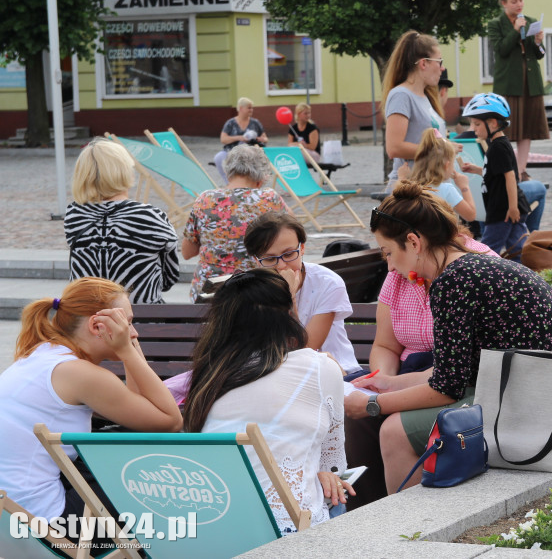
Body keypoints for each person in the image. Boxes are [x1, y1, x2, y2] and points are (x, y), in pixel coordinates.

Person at [344, 182, 552, 494]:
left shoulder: (453, 282)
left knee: (394, 432)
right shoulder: (473, 266)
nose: (390, 265)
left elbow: (446, 389)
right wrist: (391, 384)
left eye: (389, 253)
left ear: (414, 242)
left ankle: (410, 535)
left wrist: (373, 405)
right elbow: (456, 371)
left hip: (539, 406)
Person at [182, 269, 351, 532]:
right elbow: (331, 460)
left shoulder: (211, 374)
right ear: (288, 317)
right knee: (336, 494)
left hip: (207, 525)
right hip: (286, 528)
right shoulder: (318, 367)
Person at [0, 278, 182, 522]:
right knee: (158, 475)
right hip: (48, 524)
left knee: (124, 442)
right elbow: (170, 423)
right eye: (127, 323)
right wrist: (127, 350)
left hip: (10, 518)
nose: (134, 333)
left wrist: (128, 345)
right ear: (97, 326)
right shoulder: (80, 374)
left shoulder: (41, 354)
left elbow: (142, 413)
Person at [243, 211, 359, 374]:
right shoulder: (249, 290)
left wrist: (288, 297)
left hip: (335, 372)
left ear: (302, 248)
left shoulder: (328, 283)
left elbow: (303, 350)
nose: (282, 265)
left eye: (289, 254)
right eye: (270, 259)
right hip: (274, 376)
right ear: (256, 261)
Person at [64, 139, 179, 304]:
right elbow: (170, 277)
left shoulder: (74, 214)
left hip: (90, 322)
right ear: (125, 171)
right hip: (139, 322)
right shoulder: (150, 216)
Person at [182, 145, 287, 301]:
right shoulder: (270, 199)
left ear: (228, 171)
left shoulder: (205, 199)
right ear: (261, 176)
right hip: (257, 291)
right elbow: (292, 237)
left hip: (210, 295)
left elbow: (187, 252)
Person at [487, 0, 548, 179]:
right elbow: (501, 50)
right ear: (504, 3)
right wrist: (514, 31)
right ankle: (507, 169)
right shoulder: (496, 24)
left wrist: (538, 42)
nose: (519, 4)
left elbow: (539, 54)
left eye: (521, 0)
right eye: (514, 1)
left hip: (530, 83)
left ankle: (521, 169)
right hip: (509, 84)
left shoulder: (530, 21)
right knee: (507, 128)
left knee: (526, 128)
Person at [459, 93, 529, 258]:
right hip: (507, 208)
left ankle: (483, 281)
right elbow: (494, 173)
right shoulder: (497, 144)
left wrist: (512, 208)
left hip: (502, 211)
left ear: (492, 123)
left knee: (486, 253)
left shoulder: (498, 147)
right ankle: (518, 280)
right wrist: (476, 169)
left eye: (477, 124)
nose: (473, 128)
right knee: (516, 252)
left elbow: (510, 177)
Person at [382, 30, 447, 191]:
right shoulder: (401, 95)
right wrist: (443, 150)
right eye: (439, 61)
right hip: (410, 188)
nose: (442, 68)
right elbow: (394, 148)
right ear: (423, 63)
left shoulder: (425, 96)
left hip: (428, 184)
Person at [409, 128, 476, 222]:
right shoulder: (446, 189)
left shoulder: (409, 187)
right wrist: (464, 187)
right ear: (447, 165)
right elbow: (470, 215)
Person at [214, 97, 268, 183]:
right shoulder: (230, 123)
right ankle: (229, 183)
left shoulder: (255, 123)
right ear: (241, 108)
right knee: (218, 157)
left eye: (252, 108)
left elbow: (265, 138)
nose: (251, 110)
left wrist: (260, 139)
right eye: (249, 108)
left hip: (250, 153)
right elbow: (223, 139)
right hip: (231, 152)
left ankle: (248, 183)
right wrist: (239, 137)